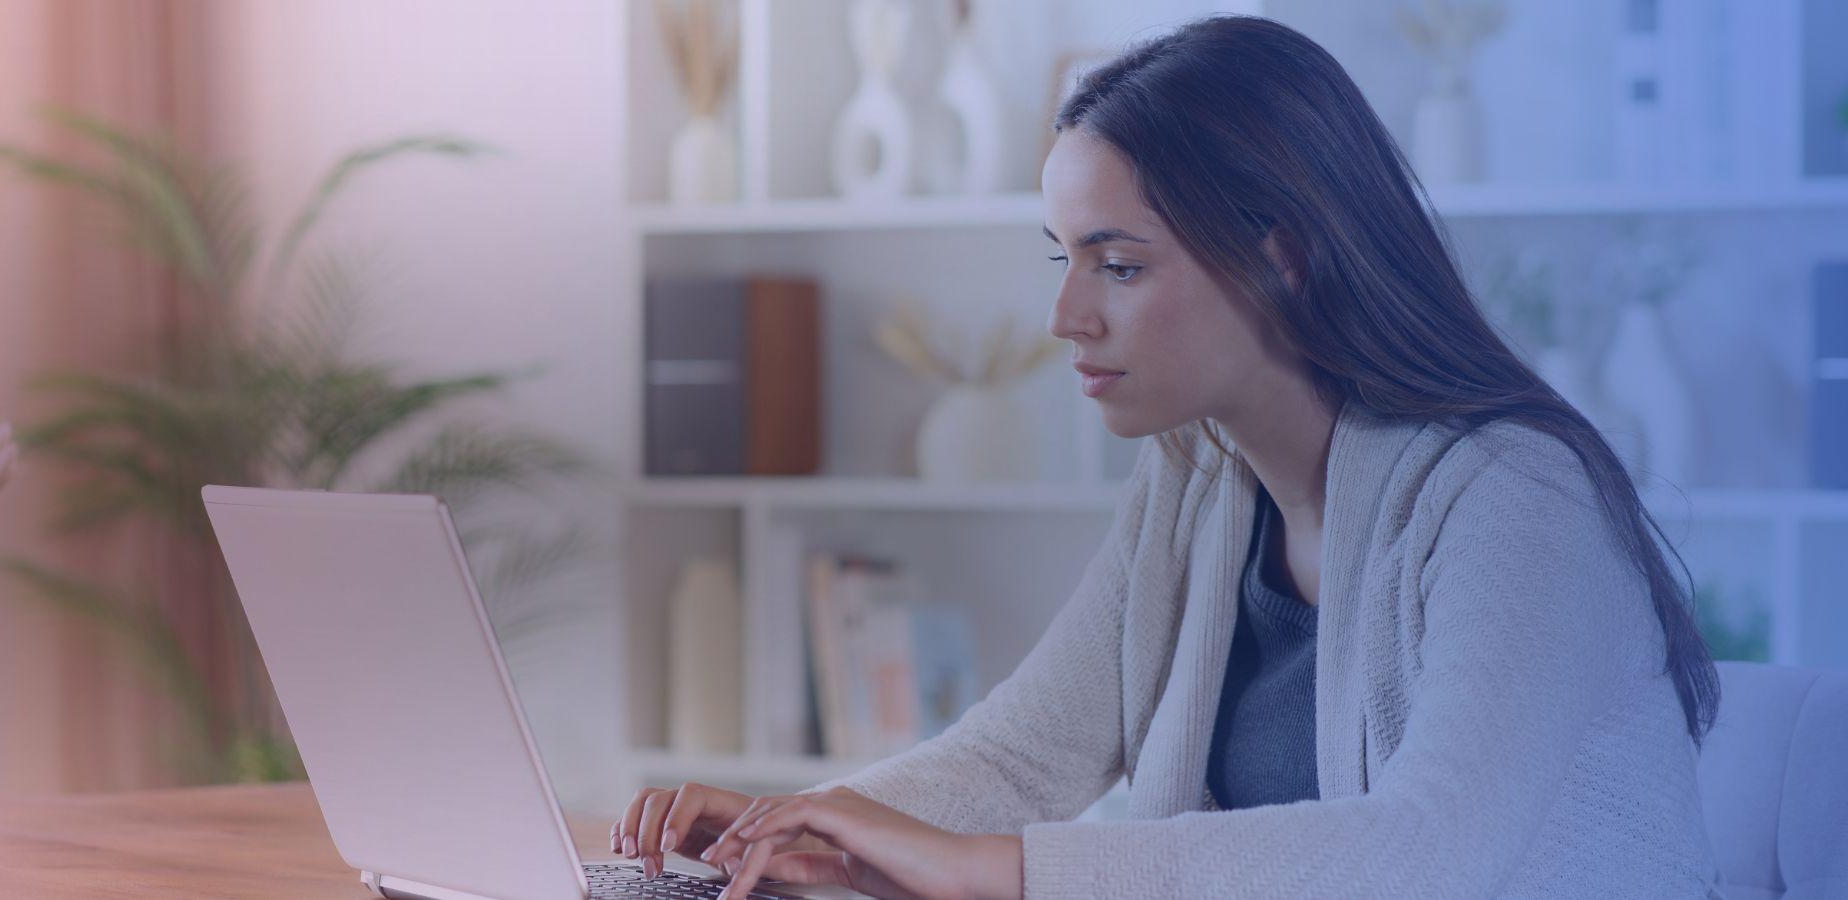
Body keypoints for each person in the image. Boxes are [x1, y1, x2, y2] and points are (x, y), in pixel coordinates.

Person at [611, 14, 1723, 900]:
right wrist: (793, 834)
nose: (1066, 317)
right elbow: (1018, 762)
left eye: (1120, 266)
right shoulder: (1199, 480)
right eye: (1064, 259)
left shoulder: (1519, 495)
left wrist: (996, 873)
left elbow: (1428, 853)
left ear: (1283, 257)